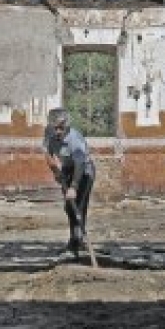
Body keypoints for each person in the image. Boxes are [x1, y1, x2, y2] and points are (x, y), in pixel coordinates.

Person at [47, 108, 96, 258]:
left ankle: (78, 241)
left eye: (61, 128)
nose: (57, 131)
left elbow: (80, 165)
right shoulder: (49, 134)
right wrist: (56, 171)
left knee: (78, 206)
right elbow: (48, 153)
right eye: (54, 128)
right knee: (69, 208)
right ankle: (74, 239)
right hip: (67, 170)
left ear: (67, 126)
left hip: (84, 172)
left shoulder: (76, 139)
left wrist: (74, 187)